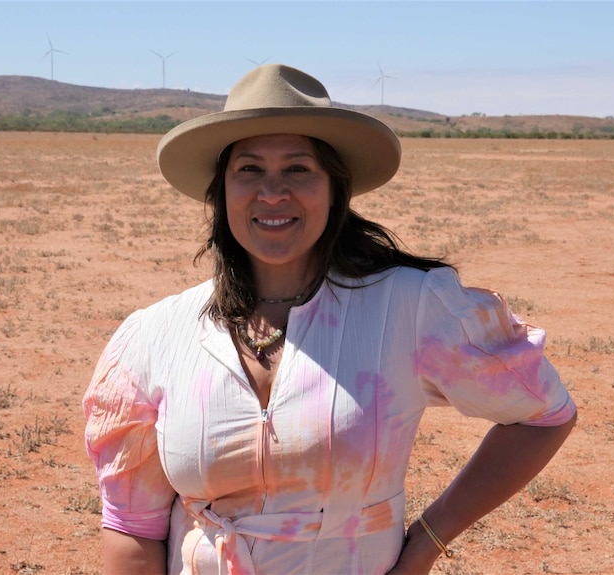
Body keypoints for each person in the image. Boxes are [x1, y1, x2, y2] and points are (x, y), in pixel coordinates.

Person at [83, 64, 577, 575]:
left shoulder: (409, 307)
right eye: (248, 169)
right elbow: (132, 527)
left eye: (299, 169)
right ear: (221, 191)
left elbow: (543, 413)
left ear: (335, 189)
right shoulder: (158, 335)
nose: (272, 192)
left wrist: (429, 540)